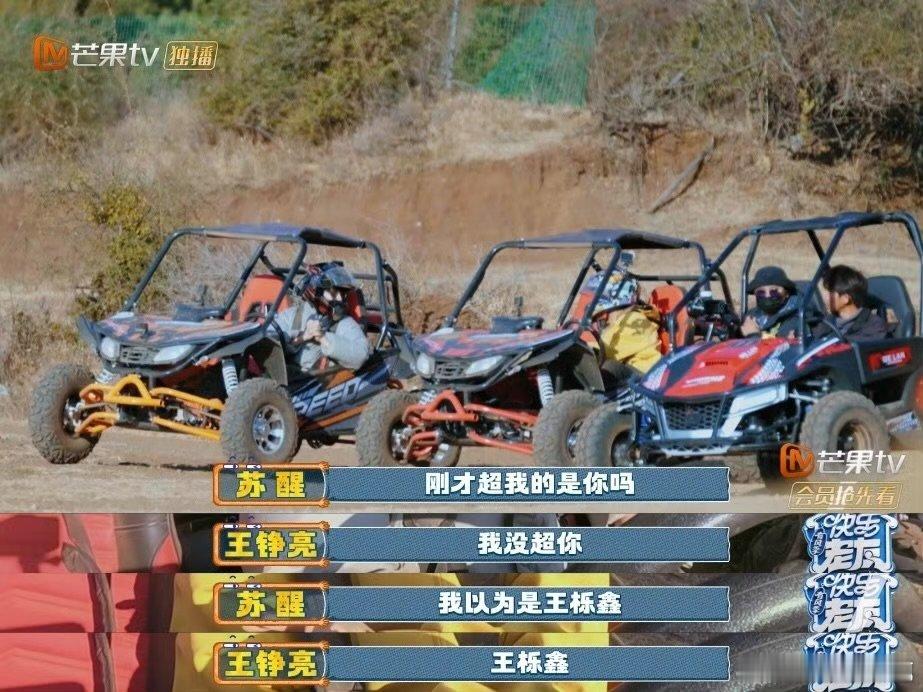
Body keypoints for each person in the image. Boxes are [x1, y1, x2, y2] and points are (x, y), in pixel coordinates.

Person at [274, 262, 371, 371]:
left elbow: (361, 355)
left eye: (343, 294)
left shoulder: (343, 322)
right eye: (333, 293)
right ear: (317, 292)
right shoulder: (296, 314)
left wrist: (323, 338)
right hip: (282, 376)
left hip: (320, 379)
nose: (340, 299)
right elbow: (269, 339)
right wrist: (303, 337)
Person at [586, 272, 662, 374]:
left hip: (645, 376)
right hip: (630, 374)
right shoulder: (620, 322)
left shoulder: (633, 321)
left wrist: (584, 346)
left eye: (599, 299)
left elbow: (607, 351)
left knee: (607, 367)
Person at [813, 264, 889, 341]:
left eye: (830, 293)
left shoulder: (874, 327)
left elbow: (858, 345)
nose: (824, 297)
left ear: (845, 299)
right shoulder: (827, 322)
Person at [740, 265, 804, 338]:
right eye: (761, 293)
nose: (767, 296)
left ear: (787, 293)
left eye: (774, 292)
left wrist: (754, 335)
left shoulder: (797, 318)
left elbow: (783, 344)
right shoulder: (751, 316)